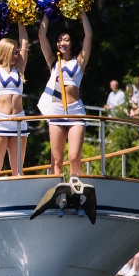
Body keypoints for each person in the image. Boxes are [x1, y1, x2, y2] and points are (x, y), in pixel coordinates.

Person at [37, 12, 94, 177]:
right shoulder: (53, 61)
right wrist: (48, 13)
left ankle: (78, 186)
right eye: (60, 40)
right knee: (57, 158)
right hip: (56, 110)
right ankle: (57, 187)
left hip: (75, 110)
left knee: (74, 157)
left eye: (66, 39)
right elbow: (41, 35)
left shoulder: (80, 61)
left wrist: (82, 12)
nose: (62, 43)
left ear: (72, 43)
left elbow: (89, 35)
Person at [0, 22, 31, 177]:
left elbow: (25, 42)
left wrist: (20, 20)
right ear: (4, 52)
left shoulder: (19, 69)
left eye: (17, 52)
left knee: (18, 169)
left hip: (19, 121)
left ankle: (22, 200)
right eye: (13, 52)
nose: (16, 55)